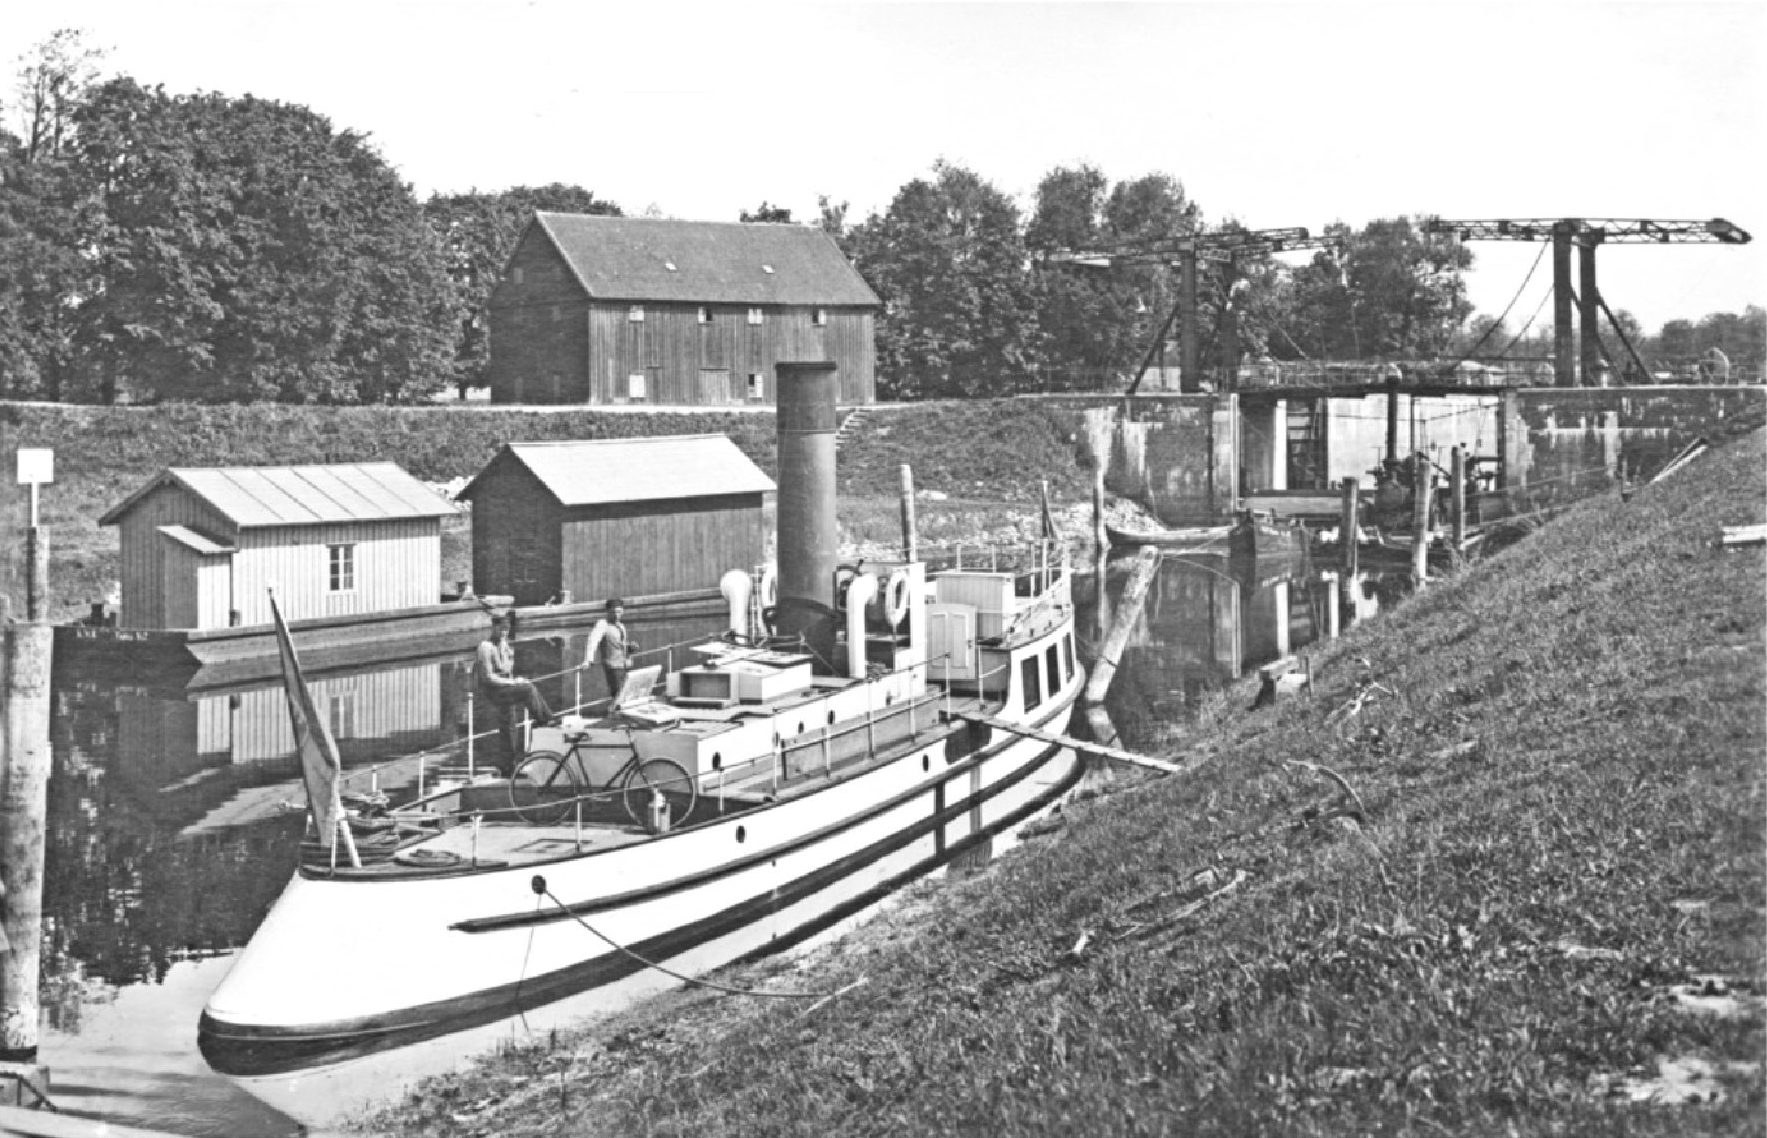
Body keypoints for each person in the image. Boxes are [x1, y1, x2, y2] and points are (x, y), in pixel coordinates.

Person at [475, 615, 554, 775]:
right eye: (501, 629)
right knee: (527, 688)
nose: (504, 633)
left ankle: (508, 767)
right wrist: (514, 683)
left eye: (506, 630)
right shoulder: (485, 647)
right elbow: (488, 677)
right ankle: (545, 719)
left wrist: (515, 679)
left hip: (504, 688)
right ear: (493, 628)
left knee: (509, 726)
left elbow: (508, 670)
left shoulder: (504, 645)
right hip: (493, 690)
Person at [583, 598, 637, 707]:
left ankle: (621, 714)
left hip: (625, 664)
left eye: (619, 612)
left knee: (627, 694)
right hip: (613, 666)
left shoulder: (621, 626)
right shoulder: (603, 624)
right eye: (614, 612)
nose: (617, 615)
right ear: (607, 612)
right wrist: (588, 660)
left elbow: (620, 644)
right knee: (618, 694)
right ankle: (615, 715)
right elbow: (593, 641)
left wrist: (630, 647)